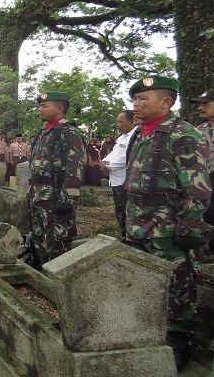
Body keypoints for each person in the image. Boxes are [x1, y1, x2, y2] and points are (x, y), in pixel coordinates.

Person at [125, 76, 211, 371]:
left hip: (169, 226)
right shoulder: (141, 133)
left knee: (177, 284)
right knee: (143, 279)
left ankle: (178, 341)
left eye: (142, 99)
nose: (136, 104)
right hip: (138, 222)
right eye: (135, 99)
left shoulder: (183, 134)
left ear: (166, 102)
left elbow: (197, 188)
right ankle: (148, 330)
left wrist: (189, 227)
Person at [26, 91, 85, 265]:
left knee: (57, 240)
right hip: (38, 193)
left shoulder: (69, 132)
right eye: (40, 105)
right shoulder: (42, 132)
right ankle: (42, 275)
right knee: (39, 236)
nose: (40, 109)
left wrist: (68, 198)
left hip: (56, 193)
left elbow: (76, 167)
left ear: (59, 108)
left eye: (45, 106)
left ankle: (57, 282)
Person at [99, 111, 140, 242]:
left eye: (120, 122)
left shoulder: (135, 136)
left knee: (126, 211)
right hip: (115, 180)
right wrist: (104, 161)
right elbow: (113, 154)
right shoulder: (122, 137)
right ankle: (123, 236)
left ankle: (129, 237)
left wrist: (108, 167)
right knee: (119, 211)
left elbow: (126, 158)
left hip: (124, 181)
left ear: (131, 121)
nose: (117, 125)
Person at [192, 88, 214, 229]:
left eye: (206, 104)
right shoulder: (199, 130)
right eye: (200, 104)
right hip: (206, 183)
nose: (200, 107)